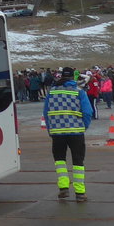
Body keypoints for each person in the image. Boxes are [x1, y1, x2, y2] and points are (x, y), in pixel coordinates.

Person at [43, 70, 93, 201]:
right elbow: (88, 111)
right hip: (76, 131)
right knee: (78, 161)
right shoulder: (78, 91)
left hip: (57, 132)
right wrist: (84, 126)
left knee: (60, 161)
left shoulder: (52, 91)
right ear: (72, 77)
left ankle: (63, 188)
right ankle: (80, 192)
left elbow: (46, 112)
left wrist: (50, 129)